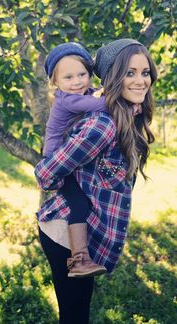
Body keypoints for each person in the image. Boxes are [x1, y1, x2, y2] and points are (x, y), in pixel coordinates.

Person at [35, 38, 157, 324]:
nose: (141, 80)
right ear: (113, 77)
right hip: (63, 234)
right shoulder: (103, 126)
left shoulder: (126, 115)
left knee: (78, 314)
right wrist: (70, 186)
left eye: (145, 72)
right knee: (75, 317)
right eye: (130, 73)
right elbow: (44, 174)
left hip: (85, 234)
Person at [42, 42, 107, 277]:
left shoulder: (83, 93)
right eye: (68, 77)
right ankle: (79, 260)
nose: (77, 81)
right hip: (57, 162)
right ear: (55, 82)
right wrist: (128, 105)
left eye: (82, 74)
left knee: (85, 200)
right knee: (78, 203)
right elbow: (102, 104)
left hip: (69, 158)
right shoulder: (68, 100)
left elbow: (97, 98)